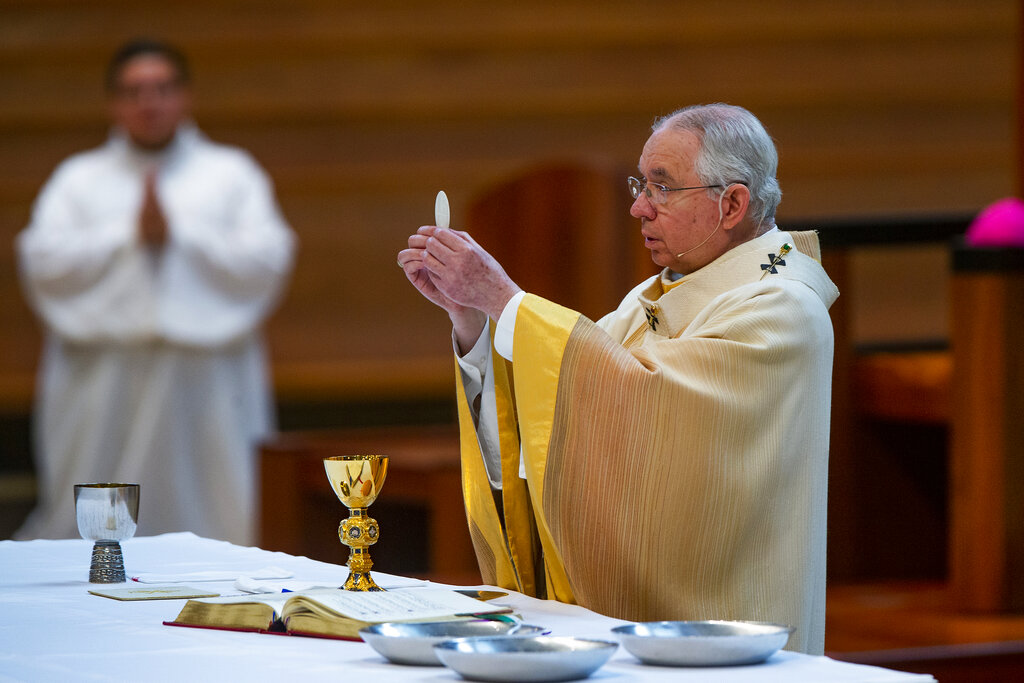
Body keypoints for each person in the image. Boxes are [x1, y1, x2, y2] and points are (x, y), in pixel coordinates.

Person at [398, 103, 838, 654]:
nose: (637, 208)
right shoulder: (654, 296)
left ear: (732, 204)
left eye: (661, 187)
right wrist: (472, 320)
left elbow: (647, 410)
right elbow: (550, 412)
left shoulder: (781, 309)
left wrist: (505, 300)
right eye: (640, 184)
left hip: (725, 641)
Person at [14, 39, 295, 546]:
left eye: (162, 89)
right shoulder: (78, 179)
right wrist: (128, 241)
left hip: (204, 381)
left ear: (184, 97)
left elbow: (267, 256)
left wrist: (181, 242)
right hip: (106, 376)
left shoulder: (231, 173)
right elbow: (43, 260)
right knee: (100, 521)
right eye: (134, 91)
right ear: (113, 103)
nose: (149, 103)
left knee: (214, 519)